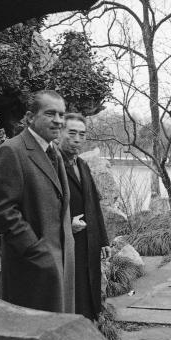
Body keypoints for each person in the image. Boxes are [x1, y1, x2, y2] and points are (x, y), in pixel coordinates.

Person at [0, 90, 75, 313]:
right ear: (30, 117)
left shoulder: (53, 151)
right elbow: (0, 211)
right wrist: (35, 250)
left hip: (60, 264)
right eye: (50, 114)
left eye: (62, 115)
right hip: (31, 267)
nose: (58, 121)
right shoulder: (12, 150)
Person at [57, 113, 110, 320]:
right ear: (60, 133)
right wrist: (65, 224)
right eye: (72, 133)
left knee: (90, 297)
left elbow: (94, 205)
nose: (77, 139)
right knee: (71, 298)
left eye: (82, 134)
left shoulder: (83, 165)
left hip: (89, 244)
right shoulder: (52, 165)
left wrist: (103, 240)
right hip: (66, 245)